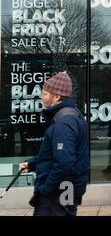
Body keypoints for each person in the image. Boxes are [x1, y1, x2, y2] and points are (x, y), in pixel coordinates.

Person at [20, 72, 89, 216]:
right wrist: (33, 164)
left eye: (45, 94)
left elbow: (64, 162)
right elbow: (57, 154)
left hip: (57, 193)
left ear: (57, 97)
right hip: (65, 188)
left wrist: (46, 189)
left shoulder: (64, 122)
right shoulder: (70, 115)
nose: (41, 97)